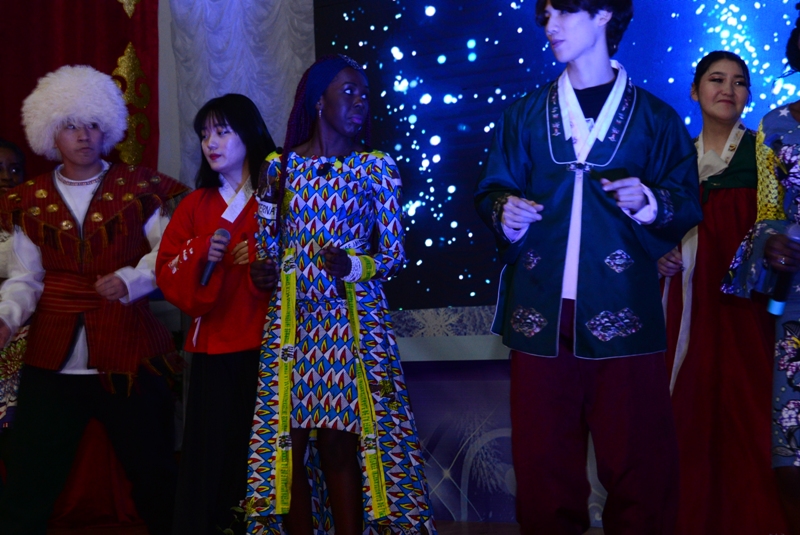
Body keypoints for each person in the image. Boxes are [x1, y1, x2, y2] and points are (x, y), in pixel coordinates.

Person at [474, 1, 703, 533]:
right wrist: (504, 210)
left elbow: (686, 201)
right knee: (542, 465)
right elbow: (491, 189)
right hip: (541, 315)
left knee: (640, 465)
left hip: (624, 312)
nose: (550, 26)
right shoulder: (524, 115)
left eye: (564, 13)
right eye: (545, 16)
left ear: (603, 15)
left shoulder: (656, 119)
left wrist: (650, 202)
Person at [243, 54, 435, 535]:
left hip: (352, 323)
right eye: (348, 91)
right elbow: (266, 250)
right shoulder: (278, 169)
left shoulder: (375, 167)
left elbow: (394, 254)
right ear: (318, 100)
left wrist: (355, 265)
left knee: (339, 445)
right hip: (293, 325)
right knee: (286, 446)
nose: (360, 101)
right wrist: (261, 272)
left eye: (364, 94)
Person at [0, 65, 186, 534]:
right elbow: (25, 277)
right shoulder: (28, 198)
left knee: (156, 477)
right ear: (50, 132)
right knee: (28, 485)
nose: (83, 136)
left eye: (93, 124)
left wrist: (131, 280)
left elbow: (171, 253)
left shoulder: (142, 187)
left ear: (109, 128)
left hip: (130, 354)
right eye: (70, 125)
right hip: (52, 360)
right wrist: (6, 318)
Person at [659, 51, 788, 534]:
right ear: (695, 90)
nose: (727, 90)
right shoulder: (674, 160)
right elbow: (650, 226)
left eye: (739, 82)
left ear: (748, 96)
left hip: (745, 306)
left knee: (748, 406)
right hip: (686, 306)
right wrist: (659, 252)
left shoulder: (766, 154)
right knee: (687, 410)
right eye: (716, 79)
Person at [155, 93, 276, 535]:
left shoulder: (278, 198)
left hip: (272, 345)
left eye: (223, 132)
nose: (211, 143)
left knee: (264, 449)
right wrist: (205, 249)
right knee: (211, 452)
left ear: (250, 134)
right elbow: (167, 272)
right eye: (205, 134)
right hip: (213, 347)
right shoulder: (194, 206)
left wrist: (263, 260)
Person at [723, 6, 800, 532]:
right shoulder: (774, 127)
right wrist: (772, 245)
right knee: (791, 462)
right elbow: (768, 214)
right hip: (796, 308)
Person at [0, 138, 26, 495]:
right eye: (0, 169)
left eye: (15, 169)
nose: (7, 176)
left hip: (23, 319)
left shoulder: (34, 218)